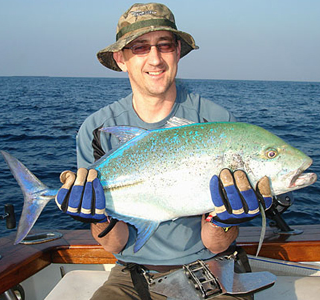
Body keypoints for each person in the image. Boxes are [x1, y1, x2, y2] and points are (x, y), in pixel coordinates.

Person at [55, 3, 272, 300]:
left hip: (213, 268)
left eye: (165, 45)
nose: (155, 59)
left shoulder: (216, 122)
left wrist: (226, 220)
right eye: (140, 48)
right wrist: (99, 217)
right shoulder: (96, 128)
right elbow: (114, 246)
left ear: (178, 51)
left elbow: (217, 245)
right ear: (121, 59)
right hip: (131, 275)